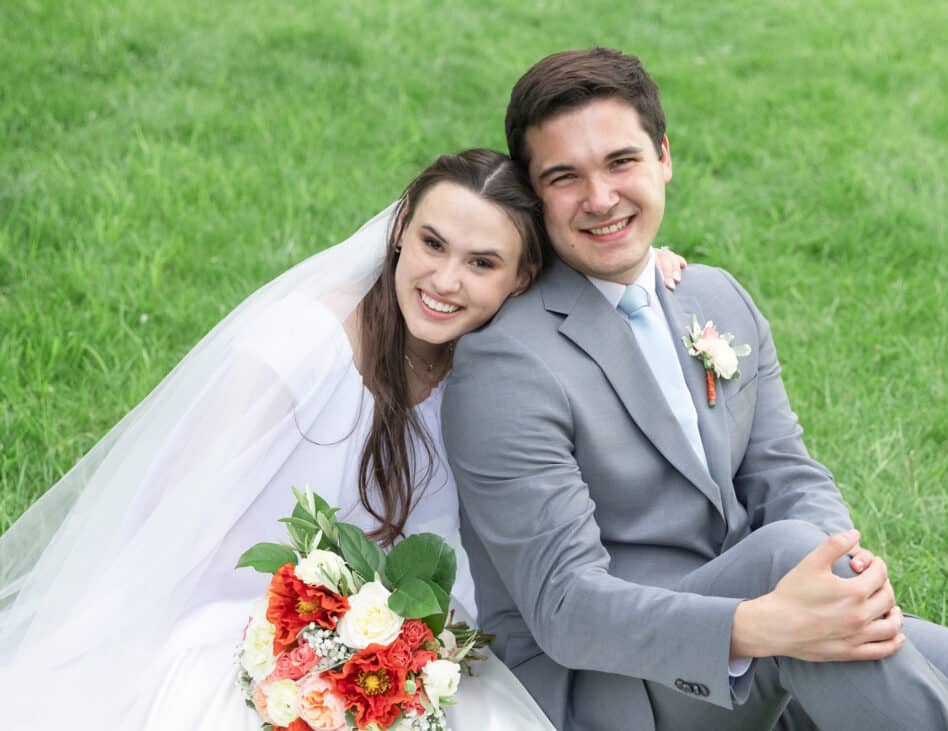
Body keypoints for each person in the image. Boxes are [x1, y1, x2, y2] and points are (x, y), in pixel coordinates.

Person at [0, 146, 688, 730]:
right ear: (399, 233)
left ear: (522, 278)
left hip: (402, 645)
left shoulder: (497, 373)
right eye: (432, 243)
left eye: (483, 264)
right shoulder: (301, 347)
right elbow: (169, 527)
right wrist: (302, 650)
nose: (444, 281)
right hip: (235, 628)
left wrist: (636, 274)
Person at [442, 48, 948, 731]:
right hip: (620, 686)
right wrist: (757, 623)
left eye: (621, 162)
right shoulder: (507, 363)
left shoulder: (714, 296)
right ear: (535, 198)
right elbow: (567, 607)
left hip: (776, 621)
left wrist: (845, 569)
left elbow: (785, 467)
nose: (600, 198)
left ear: (664, 156)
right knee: (784, 556)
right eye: (565, 177)